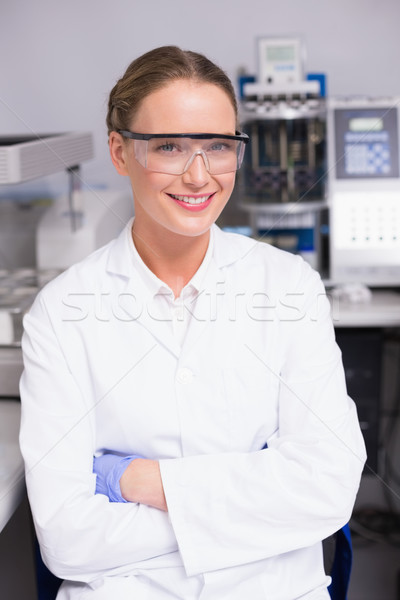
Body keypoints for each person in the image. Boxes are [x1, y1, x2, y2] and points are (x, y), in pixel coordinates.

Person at [19, 46, 366, 600]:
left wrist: (138, 482)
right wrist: (257, 506)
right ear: (119, 150)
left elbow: (327, 488)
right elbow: (67, 539)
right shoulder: (62, 313)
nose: (199, 174)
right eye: (170, 146)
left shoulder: (288, 287)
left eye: (219, 146)